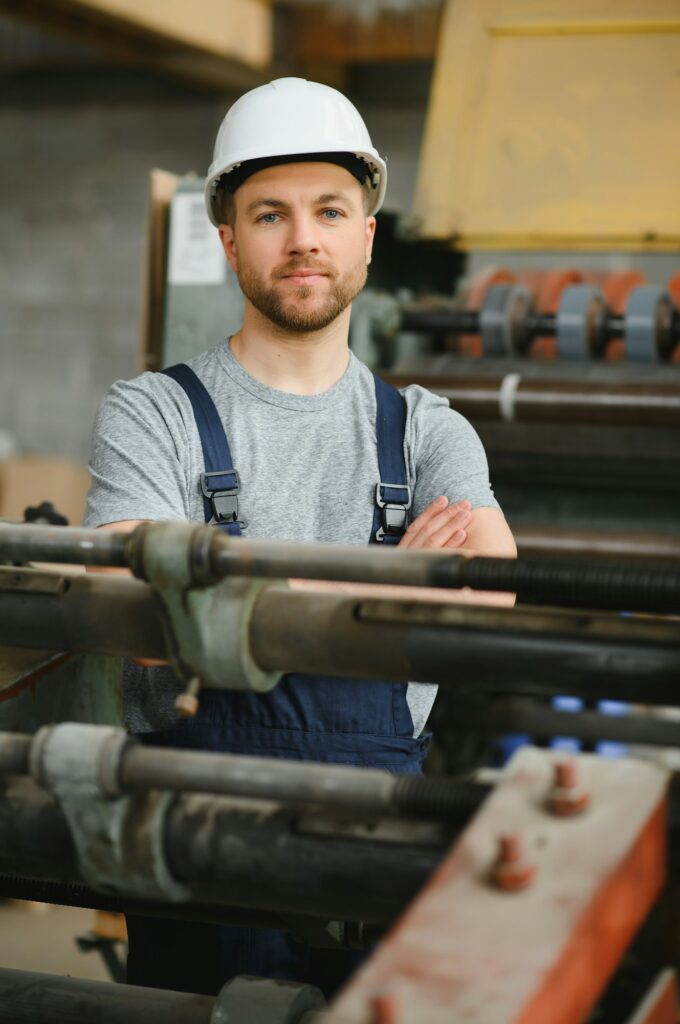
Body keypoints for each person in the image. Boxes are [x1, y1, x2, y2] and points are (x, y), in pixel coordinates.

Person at [85, 77, 516, 998]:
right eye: (270, 214)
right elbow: (130, 615)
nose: (303, 239)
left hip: (372, 838)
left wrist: (214, 602)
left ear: (366, 232)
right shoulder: (151, 412)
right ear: (230, 236)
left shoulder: (428, 429)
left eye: (329, 209)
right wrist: (381, 591)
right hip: (191, 841)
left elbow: (490, 601)